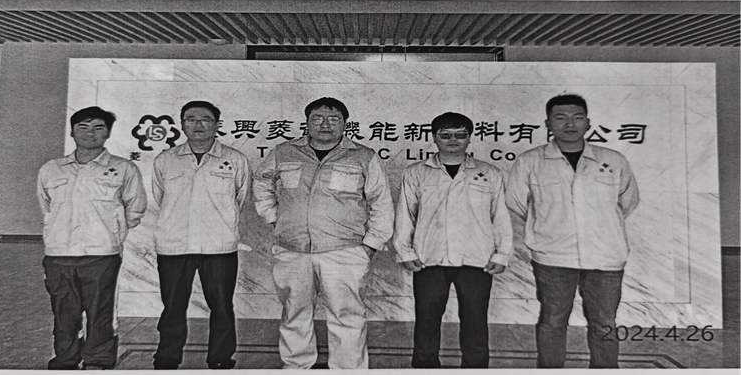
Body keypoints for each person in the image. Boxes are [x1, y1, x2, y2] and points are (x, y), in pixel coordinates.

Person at [252, 97, 394, 369]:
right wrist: (274, 219)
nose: (325, 124)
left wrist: (371, 245)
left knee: (347, 316)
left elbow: (381, 202)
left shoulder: (363, 156)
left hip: (345, 251)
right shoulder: (284, 152)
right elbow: (261, 183)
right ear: (307, 122)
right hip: (292, 250)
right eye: (317, 118)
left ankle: (348, 370)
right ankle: (296, 367)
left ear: (345, 124)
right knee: (294, 314)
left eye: (334, 119)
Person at [505, 94, 640, 368]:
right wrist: (547, 226)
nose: (570, 124)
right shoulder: (531, 161)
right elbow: (516, 202)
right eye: (561, 118)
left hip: (606, 257)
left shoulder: (613, 160)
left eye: (577, 118)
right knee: (552, 322)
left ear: (587, 122)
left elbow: (628, 200)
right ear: (548, 123)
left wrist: (600, 225)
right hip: (553, 257)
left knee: (604, 323)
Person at [392, 112, 512, 368]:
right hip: (428, 258)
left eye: (460, 135)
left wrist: (502, 254)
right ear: (434, 138)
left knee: (475, 321)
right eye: (446, 135)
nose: (453, 140)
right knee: (426, 321)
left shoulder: (489, 173)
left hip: (477, 259)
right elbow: (405, 215)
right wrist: (405, 251)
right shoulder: (416, 173)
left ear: (470, 138)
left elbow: (500, 216)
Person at [37, 106, 147, 370]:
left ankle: (98, 360)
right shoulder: (52, 169)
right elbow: (46, 206)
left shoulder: (123, 168)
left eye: (98, 127)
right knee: (64, 312)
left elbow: (135, 208)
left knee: (101, 311)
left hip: (101, 253)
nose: (90, 133)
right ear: (72, 132)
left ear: (108, 133)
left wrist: (112, 231)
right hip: (59, 254)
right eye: (83, 127)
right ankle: (65, 359)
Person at [151, 101, 251, 370]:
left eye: (205, 119)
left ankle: (220, 357)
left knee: (221, 306)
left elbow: (240, 199)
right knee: (172, 306)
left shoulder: (235, 159)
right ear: (182, 124)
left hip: (219, 246)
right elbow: (160, 197)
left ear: (217, 124)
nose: (198, 124)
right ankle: (167, 357)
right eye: (190, 119)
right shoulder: (166, 159)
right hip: (174, 245)